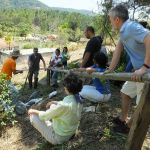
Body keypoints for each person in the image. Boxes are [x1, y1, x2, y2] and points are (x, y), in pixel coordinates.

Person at [108, 4, 150, 133]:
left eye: (110, 20)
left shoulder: (131, 27)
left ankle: (128, 127)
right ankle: (123, 119)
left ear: (117, 20)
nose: (110, 23)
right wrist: (109, 71)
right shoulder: (123, 32)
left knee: (141, 105)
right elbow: (117, 52)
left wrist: (145, 66)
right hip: (138, 71)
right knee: (125, 93)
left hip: (146, 71)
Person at [28, 73, 83, 145]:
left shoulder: (63, 106)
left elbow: (45, 116)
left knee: (33, 116)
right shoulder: (79, 100)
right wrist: (54, 102)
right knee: (53, 107)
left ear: (66, 88)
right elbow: (65, 104)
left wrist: (33, 111)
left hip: (59, 138)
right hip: (71, 131)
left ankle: (49, 137)